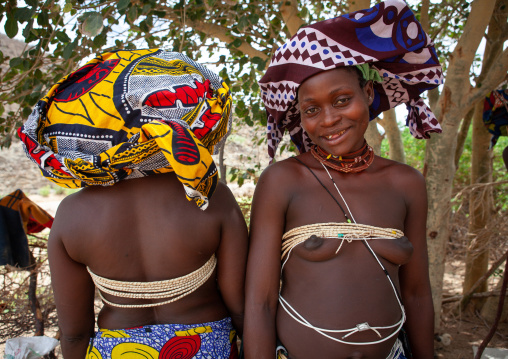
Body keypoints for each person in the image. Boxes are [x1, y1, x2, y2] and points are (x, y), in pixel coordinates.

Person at [18, 49, 248, 359]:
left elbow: (74, 332)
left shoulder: (72, 215)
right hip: (208, 347)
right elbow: (241, 305)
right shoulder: (209, 195)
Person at [244, 1, 443, 358]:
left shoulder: (405, 183)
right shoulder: (283, 181)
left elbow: (416, 294)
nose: (329, 119)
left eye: (342, 100)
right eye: (311, 110)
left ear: (368, 95)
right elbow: (260, 301)